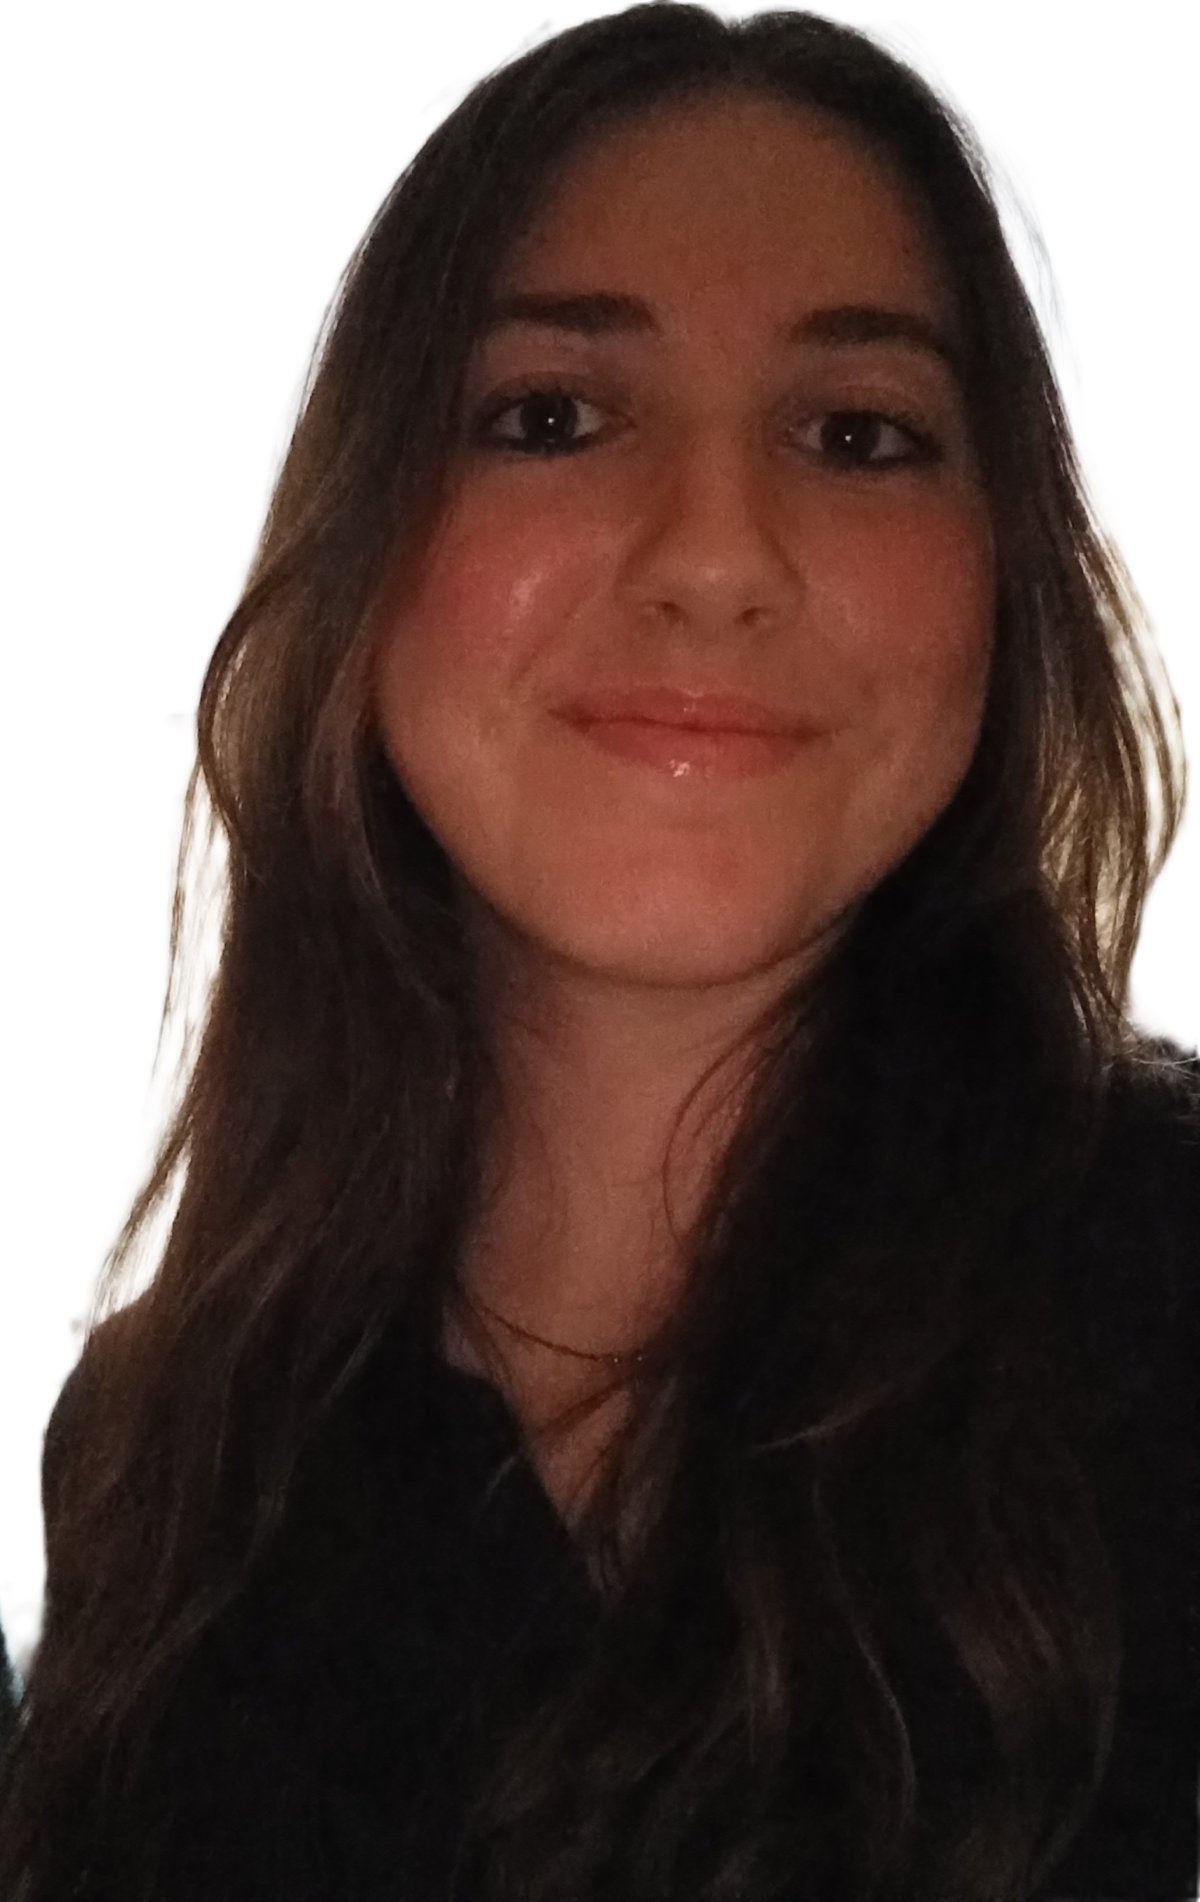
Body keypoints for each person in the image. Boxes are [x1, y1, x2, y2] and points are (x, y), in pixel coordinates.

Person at [2, 6, 1196, 1900]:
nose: (715, 556)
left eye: (857, 435)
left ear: (1008, 573)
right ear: (364, 538)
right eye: (552, 418)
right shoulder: (164, 1459)